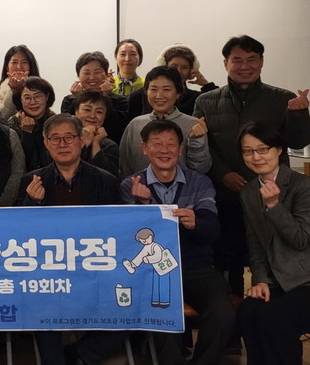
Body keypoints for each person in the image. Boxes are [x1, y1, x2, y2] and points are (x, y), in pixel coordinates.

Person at [193, 34, 310, 296]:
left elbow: (297, 142)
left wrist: (300, 114)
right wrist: (223, 174)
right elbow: (200, 145)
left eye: (251, 59)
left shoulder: (282, 98)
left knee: (271, 250)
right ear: (225, 64)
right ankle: (232, 305)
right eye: (237, 60)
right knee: (226, 257)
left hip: (274, 194)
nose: (244, 66)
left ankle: (272, 298)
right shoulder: (205, 101)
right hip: (223, 195)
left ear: (261, 62)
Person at [121, 120, 236, 365]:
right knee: (160, 314)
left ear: (181, 149)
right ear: (144, 148)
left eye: (171, 144)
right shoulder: (132, 185)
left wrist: (196, 223)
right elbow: (129, 240)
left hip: (197, 267)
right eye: (157, 144)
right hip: (152, 271)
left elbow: (212, 231)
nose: (165, 150)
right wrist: (143, 206)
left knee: (223, 312)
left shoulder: (200, 182)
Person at [17, 114, 120, 364]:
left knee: (131, 303)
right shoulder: (31, 181)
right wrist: (32, 202)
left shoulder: (105, 180)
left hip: (95, 269)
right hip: (49, 271)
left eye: (69, 137)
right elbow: (18, 234)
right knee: (43, 302)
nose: (62, 144)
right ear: (46, 143)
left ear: (82, 140)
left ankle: (78, 355)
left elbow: (118, 231)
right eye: (55, 138)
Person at [237, 121, 310, 365]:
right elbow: (254, 242)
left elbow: (301, 240)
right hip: (275, 280)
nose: (256, 157)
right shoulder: (248, 192)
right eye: (248, 151)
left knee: (274, 317)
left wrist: (274, 206)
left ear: (278, 149)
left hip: (305, 279)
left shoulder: (303, 186)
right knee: (248, 312)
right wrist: (260, 280)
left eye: (263, 149)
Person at [120, 66, 211, 178]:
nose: (159, 96)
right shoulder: (135, 125)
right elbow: (125, 168)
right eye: (153, 89)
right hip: (139, 188)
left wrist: (197, 141)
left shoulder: (193, 125)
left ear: (178, 93)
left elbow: (201, 169)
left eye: (166, 89)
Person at [127, 44, 218, 119]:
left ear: (191, 70)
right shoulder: (139, 97)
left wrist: (206, 85)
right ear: (164, 66)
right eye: (174, 66)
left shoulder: (196, 98)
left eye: (184, 67)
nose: (178, 71)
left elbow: (220, 108)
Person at [60, 51, 128, 144]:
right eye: (86, 73)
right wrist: (78, 98)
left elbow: (117, 129)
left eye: (97, 72)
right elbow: (68, 128)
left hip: (110, 148)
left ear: (106, 75)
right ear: (78, 76)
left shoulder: (120, 101)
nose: (92, 77)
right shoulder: (69, 100)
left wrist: (106, 97)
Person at [7, 77, 56, 172]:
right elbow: (18, 162)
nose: (33, 102)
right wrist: (27, 134)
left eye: (37, 96)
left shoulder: (57, 122)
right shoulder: (12, 124)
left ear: (46, 97)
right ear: (20, 100)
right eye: (27, 98)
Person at [71, 91, 119, 177]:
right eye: (87, 110)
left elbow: (107, 178)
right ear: (76, 111)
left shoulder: (109, 146)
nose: (92, 116)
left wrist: (96, 144)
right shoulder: (65, 140)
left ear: (105, 116)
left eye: (99, 112)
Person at [0, 44, 41, 120]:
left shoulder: (41, 88)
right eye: (14, 62)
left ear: (30, 66)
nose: (19, 67)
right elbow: (2, 117)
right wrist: (13, 90)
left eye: (24, 62)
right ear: (7, 67)